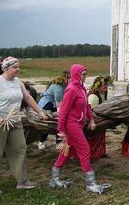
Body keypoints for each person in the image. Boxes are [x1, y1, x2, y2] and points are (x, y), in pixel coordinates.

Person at [0, 57, 48, 196]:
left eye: (18, 66)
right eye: (15, 67)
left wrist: (40, 112)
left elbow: (28, 98)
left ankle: (22, 181)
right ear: (6, 68)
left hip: (15, 121)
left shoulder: (18, 82)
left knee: (20, 149)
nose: (18, 69)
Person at [49, 64, 110, 194]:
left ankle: (54, 178)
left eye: (85, 74)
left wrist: (92, 119)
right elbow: (63, 111)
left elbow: (87, 106)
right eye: (83, 74)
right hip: (71, 125)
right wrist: (61, 130)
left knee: (68, 150)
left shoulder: (81, 88)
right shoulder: (71, 89)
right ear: (76, 74)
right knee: (85, 149)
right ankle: (90, 184)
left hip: (78, 124)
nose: (85, 76)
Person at [36, 71, 68, 150]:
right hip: (47, 105)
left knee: (58, 124)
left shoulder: (64, 86)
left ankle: (58, 142)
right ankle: (42, 142)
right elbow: (59, 105)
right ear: (65, 79)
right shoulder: (58, 88)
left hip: (54, 105)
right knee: (49, 124)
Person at [86, 76, 109, 159]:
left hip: (100, 117)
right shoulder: (93, 97)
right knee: (95, 135)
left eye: (106, 84)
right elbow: (92, 112)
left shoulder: (103, 93)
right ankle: (93, 154)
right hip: (93, 119)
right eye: (104, 84)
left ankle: (100, 152)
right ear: (98, 86)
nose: (106, 86)